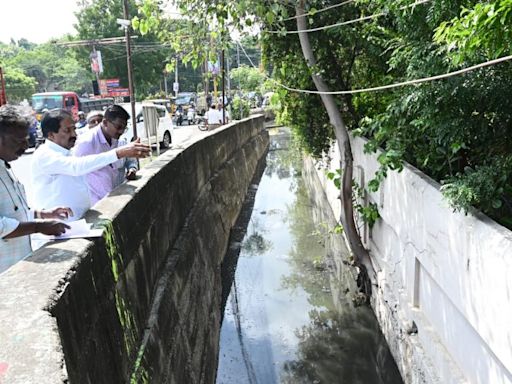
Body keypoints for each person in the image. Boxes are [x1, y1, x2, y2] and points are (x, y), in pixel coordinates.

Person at [31, 109, 150, 219]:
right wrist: (119, 153)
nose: (74, 135)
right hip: (60, 228)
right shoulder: (45, 155)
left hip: (80, 220)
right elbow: (76, 167)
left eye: (74, 129)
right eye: (67, 130)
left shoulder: (68, 152)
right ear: (51, 135)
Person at [0, 106, 72, 274]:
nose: (26, 145)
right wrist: (38, 227)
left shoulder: (5, 165)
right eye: (19, 140)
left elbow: (14, 211)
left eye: (26, 138)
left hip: (17, 266)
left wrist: (44, 214)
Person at [73, 105, 138, 205]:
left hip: (114, 196)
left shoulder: (115, 138)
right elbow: (76, 172)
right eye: (118, 127)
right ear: (105, 122)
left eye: (124, 128)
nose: (121, 131)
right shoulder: (87, 142)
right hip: (96, 203)